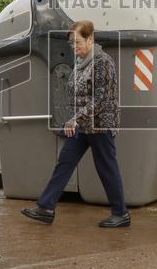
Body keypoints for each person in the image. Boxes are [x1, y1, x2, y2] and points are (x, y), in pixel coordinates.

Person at [21, 20, 130, 228]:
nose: (73, 47)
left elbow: (101, 99)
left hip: (99, 124)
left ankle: (121, 213)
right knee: (65, 162)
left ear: (90, 39)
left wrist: (75, 119)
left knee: (106, 168)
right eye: (71, 43)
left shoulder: (102, 62)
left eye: (77, 42)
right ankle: (46, 207)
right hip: (81, 125)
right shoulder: (81, 63)